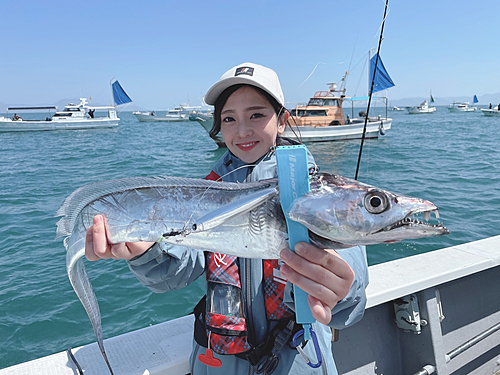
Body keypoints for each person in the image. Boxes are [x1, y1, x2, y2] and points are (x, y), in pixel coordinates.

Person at [85, 62, 368, 374]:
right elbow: (180, 268)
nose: (242, 130)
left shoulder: (319, 192)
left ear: (283, 120)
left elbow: (350, 286)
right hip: (217, 362)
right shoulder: (208, 193)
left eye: (257, 115)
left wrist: (340, 288)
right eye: (229, 119)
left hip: (298, 358)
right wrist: (147, 253)